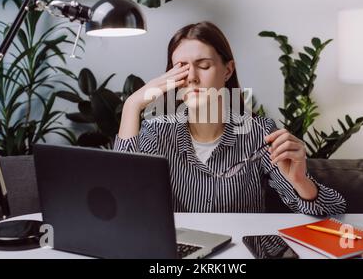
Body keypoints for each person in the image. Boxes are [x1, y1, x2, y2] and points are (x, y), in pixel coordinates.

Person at [114, 21, 346, 215]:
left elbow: (333, 210)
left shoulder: (259, 133)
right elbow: (120, 199)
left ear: (227, 70)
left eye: (203, 66)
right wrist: (132, 105)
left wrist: (299, 180)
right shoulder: (156, 133)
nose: (192, 77)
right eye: (182, 68)